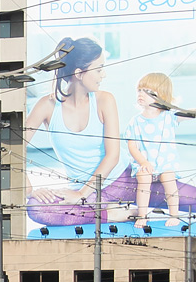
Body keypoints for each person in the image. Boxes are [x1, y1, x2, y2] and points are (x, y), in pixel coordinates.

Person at [25, 37, 133, 227]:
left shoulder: (105, 100)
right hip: (82, 192)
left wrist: (81, 194)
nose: (103, 75)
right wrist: (29, 189)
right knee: (35, 207)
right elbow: (14, 147)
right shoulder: (47, 106)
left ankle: (106, 209)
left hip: (119, 182)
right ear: (79, 73)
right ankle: (112, 213)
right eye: (99, 69)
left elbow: (113, 156)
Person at [127, 73, 188, 228]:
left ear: (162, 96)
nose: (141, 94)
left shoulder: (170, 116)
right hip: (145, 162)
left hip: (166, 162)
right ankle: (142, 215)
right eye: (140, 90)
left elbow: (189, 113)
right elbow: (132, 146)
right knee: (144, 178)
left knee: (169, 180)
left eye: (148, 91)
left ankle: (174, 214)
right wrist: (143, 162)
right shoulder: (135, 121)